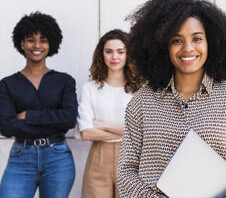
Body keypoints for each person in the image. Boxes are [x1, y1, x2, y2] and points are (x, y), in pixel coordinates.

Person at [116, 0, 226, 198]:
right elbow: (126, 171)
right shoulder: (143, 102)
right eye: (177, 40)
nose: (188, 48)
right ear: (162, 45)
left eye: (197, 38)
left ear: (212, 42)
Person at [0, 12, 77, 198]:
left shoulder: (64, 81)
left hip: (58, 159)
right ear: (21, 44)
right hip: (21, 158)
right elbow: (6, 126)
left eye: (43, 40)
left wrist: (28, 116)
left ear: (50, 44)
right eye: (30, 40)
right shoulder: (7, 84)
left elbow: (68, 119)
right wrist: (51, 119)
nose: (36, 46)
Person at [77, 29, 143, 198]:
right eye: (109, 51)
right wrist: (126, 130)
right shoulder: (90, 88)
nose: (114, 57)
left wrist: (104, 125)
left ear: (129, 54)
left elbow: (144, 131)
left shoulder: (141, 89)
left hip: (132, 158)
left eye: (120, 52)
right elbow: (86, 132)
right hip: (99, 157)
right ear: (102, 54)